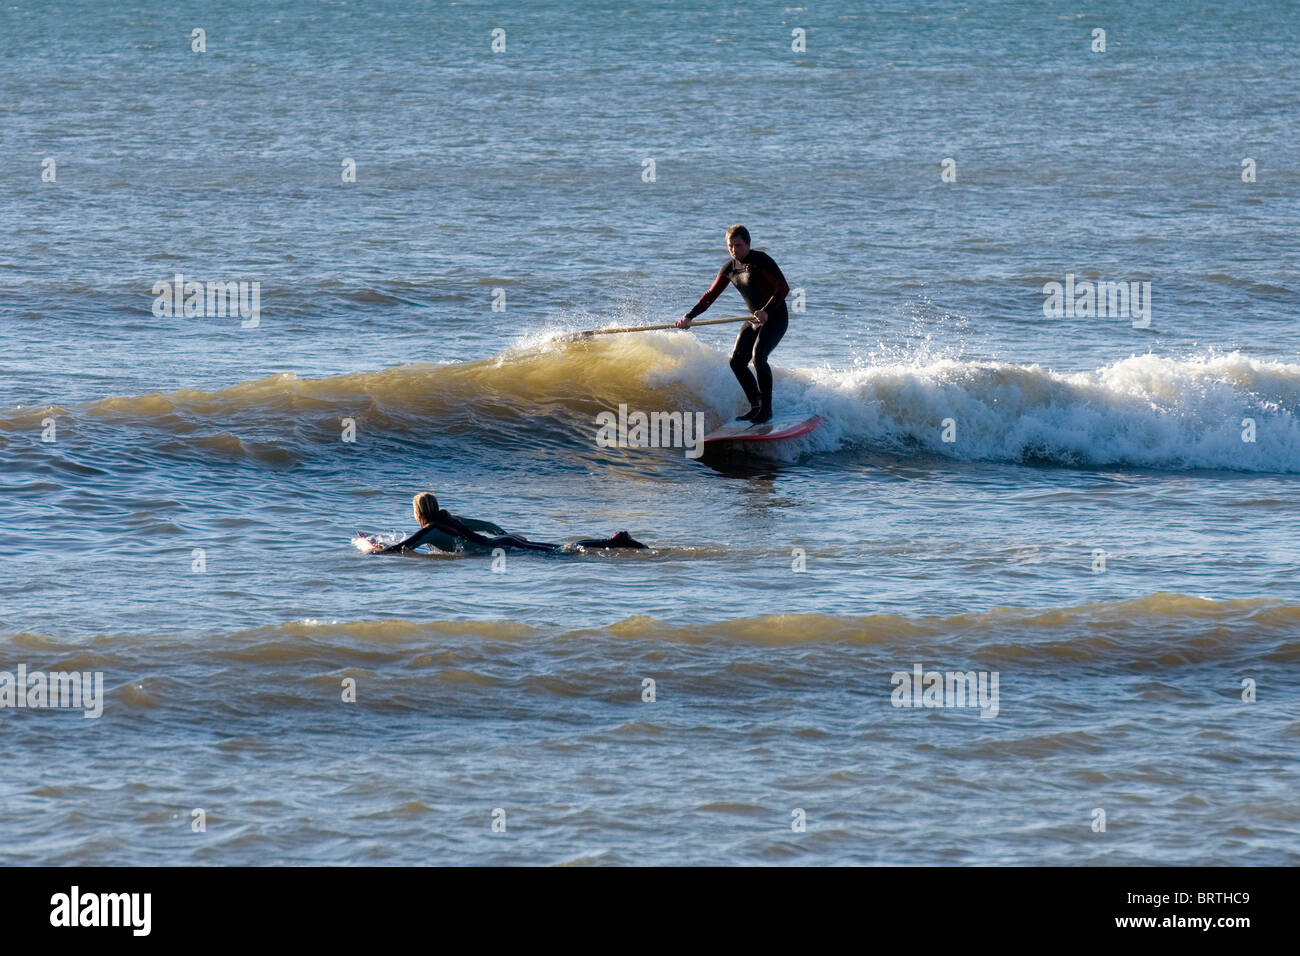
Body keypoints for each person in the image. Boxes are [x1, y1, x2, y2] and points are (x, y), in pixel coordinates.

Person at [675, 224, 790, 423]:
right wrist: (689, 316)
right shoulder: (729, 268)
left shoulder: (761, 260)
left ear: (748, 243)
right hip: (754, 319)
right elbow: (710, 296)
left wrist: (766, 311)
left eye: (738, 245)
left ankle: (766, 410)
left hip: (775, 317)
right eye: (730, 246)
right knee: (736, 362)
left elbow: (783, 288)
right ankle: (755, 406)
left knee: (759, 357)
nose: (734, 250)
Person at [367, 492, 647, 555]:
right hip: (506, 541)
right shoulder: (449, 519)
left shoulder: (430, 530)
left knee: (562, 552)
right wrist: (505, 534)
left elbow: (403, 549)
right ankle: (614, 541)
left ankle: (616, 541)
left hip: (507, 545)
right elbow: (488, 524)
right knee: (559, 550)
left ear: (419, 512)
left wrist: (377, 550)